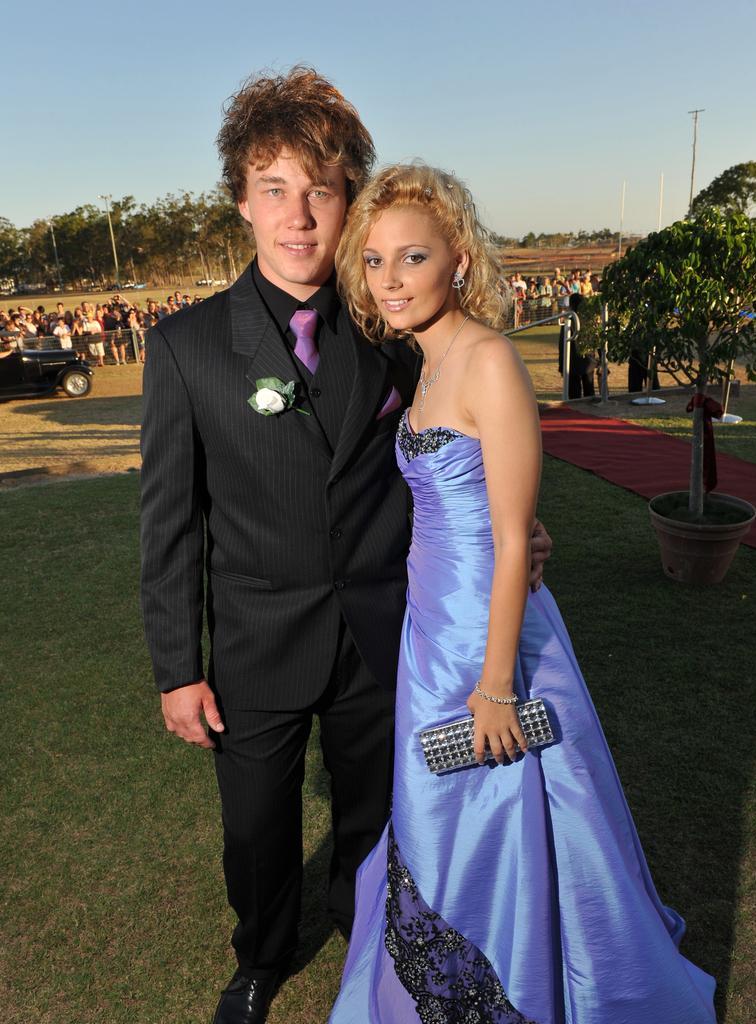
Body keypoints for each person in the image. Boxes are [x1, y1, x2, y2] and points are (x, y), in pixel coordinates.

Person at [140, 68, 553, 1024]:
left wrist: (526, 523)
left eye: (321, 191)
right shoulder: (186, 348)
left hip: (385, 636)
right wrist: (176, 669)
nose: (299, 217)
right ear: (241, 200)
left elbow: (471, 443)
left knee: (376, 817)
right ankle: (262, 954)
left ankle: (369, 930)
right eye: (274, 189)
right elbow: (169, 527)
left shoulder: (392, 329)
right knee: (256, 830)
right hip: (254, 646)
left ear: (350, 202)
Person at [329, 164, 716, 1024]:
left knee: (491, 809)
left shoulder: (489, 358)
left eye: (413, 257)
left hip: (483, 637)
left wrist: (497, 683)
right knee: (432, 809)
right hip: (430, 626)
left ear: (458, 260)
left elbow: (513, 537)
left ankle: (522, 985)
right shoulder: (424, 365)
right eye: (377, 260)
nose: (390, 279)